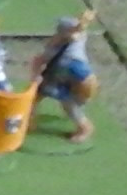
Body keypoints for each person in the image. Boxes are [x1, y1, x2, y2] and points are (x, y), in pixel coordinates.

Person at [32, 13, 96, 143]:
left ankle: (84, 128)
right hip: (73, 79)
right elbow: (79, 30)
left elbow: (40, 61)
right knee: (37, 96)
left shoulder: (59, 51)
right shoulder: (79, 39)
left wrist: (35, 77)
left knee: (68, 104)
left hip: (67, 80)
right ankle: (29, 119)